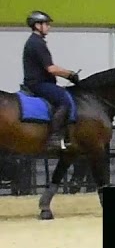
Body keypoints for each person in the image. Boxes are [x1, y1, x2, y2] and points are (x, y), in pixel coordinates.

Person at [22, 10, 80, 150]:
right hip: (39, 84)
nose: (49, 27)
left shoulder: (35, 42)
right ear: (37, 26)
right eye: (46, 24)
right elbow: (51, 69)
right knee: (64, 100)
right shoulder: (37, 43)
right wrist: (70, 74)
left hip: (35, 82)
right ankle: (53, 138)